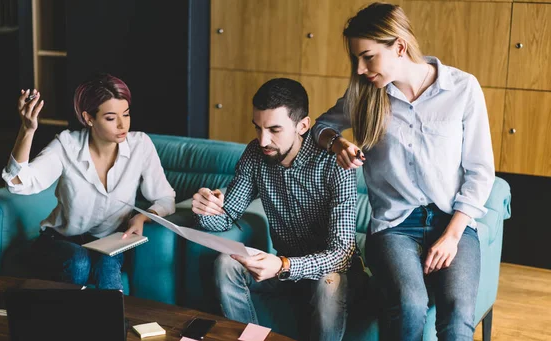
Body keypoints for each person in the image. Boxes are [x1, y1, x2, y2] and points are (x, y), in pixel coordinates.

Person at [312, 2, 495, 340]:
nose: (361, 68)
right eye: (356, 59)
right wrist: (337, 143)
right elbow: (318, 127)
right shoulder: (365, 96)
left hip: (450, 220)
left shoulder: (463, 89)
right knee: (410, 304)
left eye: (368, 56)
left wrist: (452, 236)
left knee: (457, 314)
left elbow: (481, 170)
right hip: (394, 227)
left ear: (398, 46)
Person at [191, 78, 362, 341]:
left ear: (303, 125)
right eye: (258, 128)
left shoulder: (334, 163)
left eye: (274, 129)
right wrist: (206, 209)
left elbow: (341, 255)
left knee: (330, 281)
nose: (263, 140)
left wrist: (283, 265)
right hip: (284, 274)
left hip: (332, 279)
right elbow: (226, 217)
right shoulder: (255, 154)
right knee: (226, 263)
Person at [1, 73, 176, 290]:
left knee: (108, 263)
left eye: (127, 114)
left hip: (108, 242)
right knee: (79, 261)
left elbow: (165, 198)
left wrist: (141, 218)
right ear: (89, 118)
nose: (123, 125)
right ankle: (66, 321)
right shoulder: (66, 145)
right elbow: (18, 183)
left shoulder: (140, 145)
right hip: (61, 241)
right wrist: (27, 130)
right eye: (111, 118)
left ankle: (112, 324)